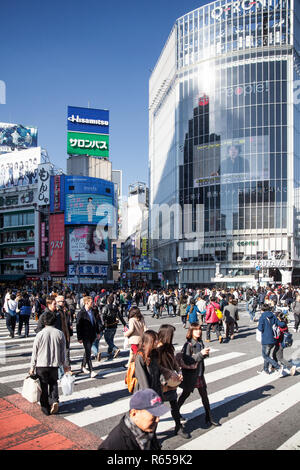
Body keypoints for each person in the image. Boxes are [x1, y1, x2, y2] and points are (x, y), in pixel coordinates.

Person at [177, 323, 219, 427]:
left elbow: (200, 358)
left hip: (199, 373)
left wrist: (205, 354)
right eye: (196, 330)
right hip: (191, 374)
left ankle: (209, 416)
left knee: (204, 395)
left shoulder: (200, 342)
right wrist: (201, 354)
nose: (199, 331)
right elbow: (187, 360)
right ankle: (176, 412)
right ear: (191, 332)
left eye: (200, 329)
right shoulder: (188, 344)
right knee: (185, 394)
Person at [98, 389, 168, 450]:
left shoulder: (146, 430)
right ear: (134, 413)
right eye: (154, 415)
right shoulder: (115, 445)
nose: (157, 420)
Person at [29, 310, 69, 416]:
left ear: (44, 321)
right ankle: (54, 400)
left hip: (41, 364)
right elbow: (63, 351)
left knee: (43, 386)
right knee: (53, 383)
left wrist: (32, 366)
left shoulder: (40, 334)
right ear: (54, 321)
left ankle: (45, 407)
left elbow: (35, 351)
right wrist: (64, 365)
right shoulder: (60, 333)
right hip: (54, 364)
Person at [157, 324, 190, 439]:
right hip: (161, 384)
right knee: (156, 410)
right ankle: (151, 435)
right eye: (172, 334)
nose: (173, 337)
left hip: (171, 381)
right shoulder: (157, 349)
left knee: (174, 405)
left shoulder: (169, 347)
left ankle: (178, 426)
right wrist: (165, 380)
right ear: (167, 335)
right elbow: (156, 368)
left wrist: (179, 371)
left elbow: (174, 362)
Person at [257, 304, 287, 376]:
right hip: (273, 338)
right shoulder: (273, 316)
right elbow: (280, 324)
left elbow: (260, 328)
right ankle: (265, 370)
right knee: (267, 354)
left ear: (262, 310)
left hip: (266, 339)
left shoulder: (262, 317)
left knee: (265, 356)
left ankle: (278, 366)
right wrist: (284, 321)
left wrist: (258, 324)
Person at [76, 296, 101, 378]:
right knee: (88, 352)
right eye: (91, 302)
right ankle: (91, 370)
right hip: (85, 335)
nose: (93, 303)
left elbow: (95, 322)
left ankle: (83, 366)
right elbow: (78, 326)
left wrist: (97, 332)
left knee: (88, 350)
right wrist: (79, 337)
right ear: (86, 303)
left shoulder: (93, 311)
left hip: (92, 334)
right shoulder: (81, 313)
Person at [133, 330, 162, 397]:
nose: (157, 342)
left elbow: (158, 370)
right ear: (149, 342)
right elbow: (142, 378)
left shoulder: (154, 353)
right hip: (144, 392)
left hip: (155, 389)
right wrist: (148, 395)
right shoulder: (140, 356)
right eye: (155, 340)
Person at [102, 294, 127, 361]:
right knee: (111, 338)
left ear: (107, 301)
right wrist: (124, 324)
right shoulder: (115, 307)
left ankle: (115, 349)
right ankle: (110, 351)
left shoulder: (105, 307)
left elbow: (103, 317)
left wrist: (102, 325)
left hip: (108, 325)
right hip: (114, 325)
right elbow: (120, 316)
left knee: (107, 339)